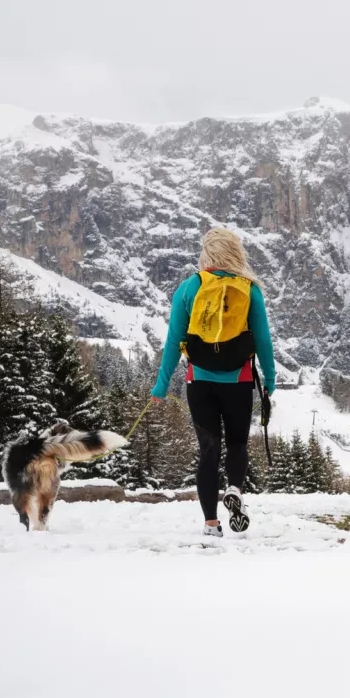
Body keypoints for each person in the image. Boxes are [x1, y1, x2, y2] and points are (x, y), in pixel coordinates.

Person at [150, 228, 275, 537]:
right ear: (235, 254)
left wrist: (161, 387)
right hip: (239, 381)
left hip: (200, 382)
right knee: (237, 443)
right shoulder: (249, 290)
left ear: (207, 255)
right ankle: (234, 488)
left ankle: (211, 524)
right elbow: (262, 340)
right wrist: (269, 380)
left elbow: (173, 342)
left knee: (208, 449)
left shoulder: (189, 288)